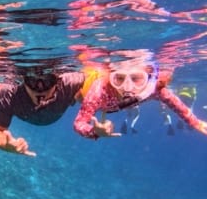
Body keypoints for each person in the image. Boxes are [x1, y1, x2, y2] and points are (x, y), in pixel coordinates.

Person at [73, 56, 207, 139]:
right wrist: (94, 132)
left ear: (148, 79)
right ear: (110, 77)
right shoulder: (100, 88)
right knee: (76, 94)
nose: (127, 87)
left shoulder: (153, 89)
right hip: (84, 93)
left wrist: (196, 122)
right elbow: (79, 123)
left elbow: (178, 106)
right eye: (119, 78)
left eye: (136, 78)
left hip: (109, 107)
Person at [0, 67, 89, 156]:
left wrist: (103, 113)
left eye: (48, 81)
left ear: (57, 80)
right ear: (23, 80)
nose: (40, 89)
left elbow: (98, 81)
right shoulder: (10, 93)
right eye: (32, 80)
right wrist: (5, 144)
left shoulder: (69, 83)